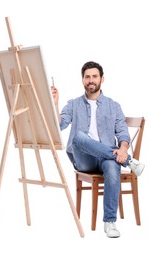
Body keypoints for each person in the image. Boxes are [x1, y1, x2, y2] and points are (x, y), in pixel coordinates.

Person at [51, 61, 145, 238]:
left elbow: (123, 134)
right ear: (82, 80)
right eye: (87, 77)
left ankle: (109, 222)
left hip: (107, 159)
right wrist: (55, 103)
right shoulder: (73, 104)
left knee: (111, 165)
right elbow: (59, 126)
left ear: (102, 79)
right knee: (79, 137)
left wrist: (123, 149)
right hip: (83, 159)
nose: (91, 80)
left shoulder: (113, 106)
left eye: (94, 76)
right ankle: (129, 162)